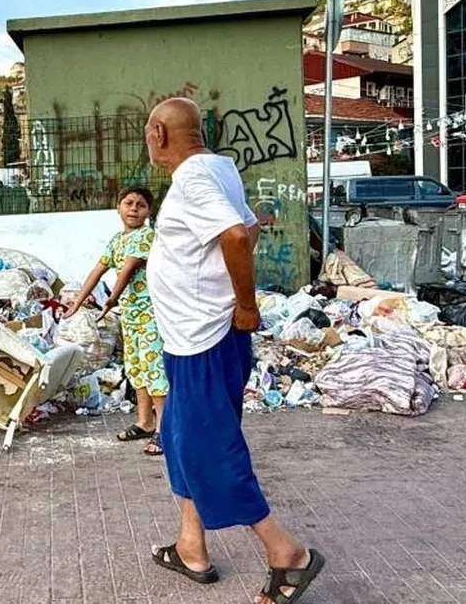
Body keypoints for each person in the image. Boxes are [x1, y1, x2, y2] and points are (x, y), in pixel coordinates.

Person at [143, 98, 323, 604]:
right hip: (193, 337)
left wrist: (244, 304)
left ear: (158, 133)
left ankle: (286, 553)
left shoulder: (195, 179)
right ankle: (191, 546)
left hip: (205, 339)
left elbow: (237, 235)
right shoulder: (218, 170)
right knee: (179, 440)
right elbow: (252, 224)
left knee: (209, 449)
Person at [65, 186, 167, 456]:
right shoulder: (117, 240)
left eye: (141, 205)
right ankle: (144, 422)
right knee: (136, 370)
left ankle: (164, 430)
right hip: (131, 318)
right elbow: (98, 270)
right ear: (118, 208)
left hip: (150, 318)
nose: (134, 208)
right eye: (129, 203)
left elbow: (128, 269)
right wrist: (77, 300)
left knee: (155, 371)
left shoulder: (146, 236)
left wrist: (111, 299)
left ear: (149, 212)